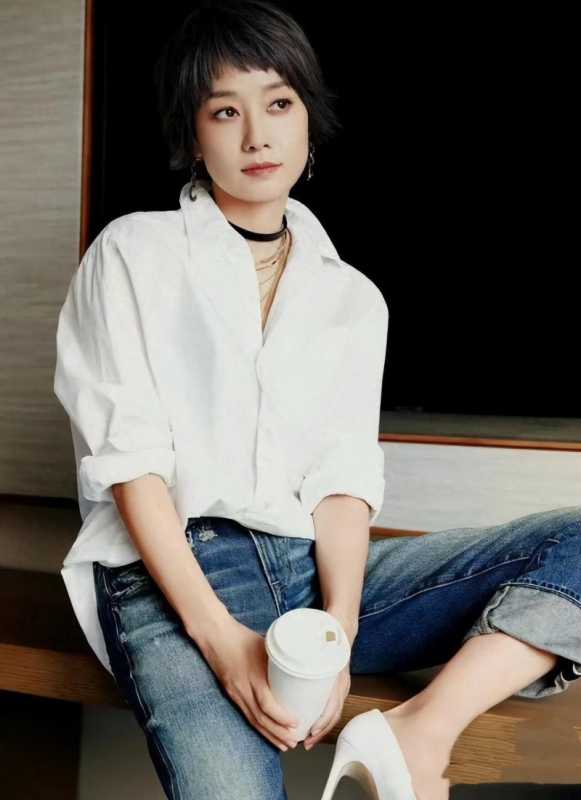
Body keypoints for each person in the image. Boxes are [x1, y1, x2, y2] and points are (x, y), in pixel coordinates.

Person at [54, 2, 581, 799]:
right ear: (192, 135)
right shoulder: (133, 252)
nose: (256, 136)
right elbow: (132, 468)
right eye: (224, 112)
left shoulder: (352, 299)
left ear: (309, 119)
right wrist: (221, 638)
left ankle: (419, 730)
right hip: (170, 579)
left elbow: (340, 483)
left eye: (278, 103)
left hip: (308, 572)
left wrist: (339, 629)